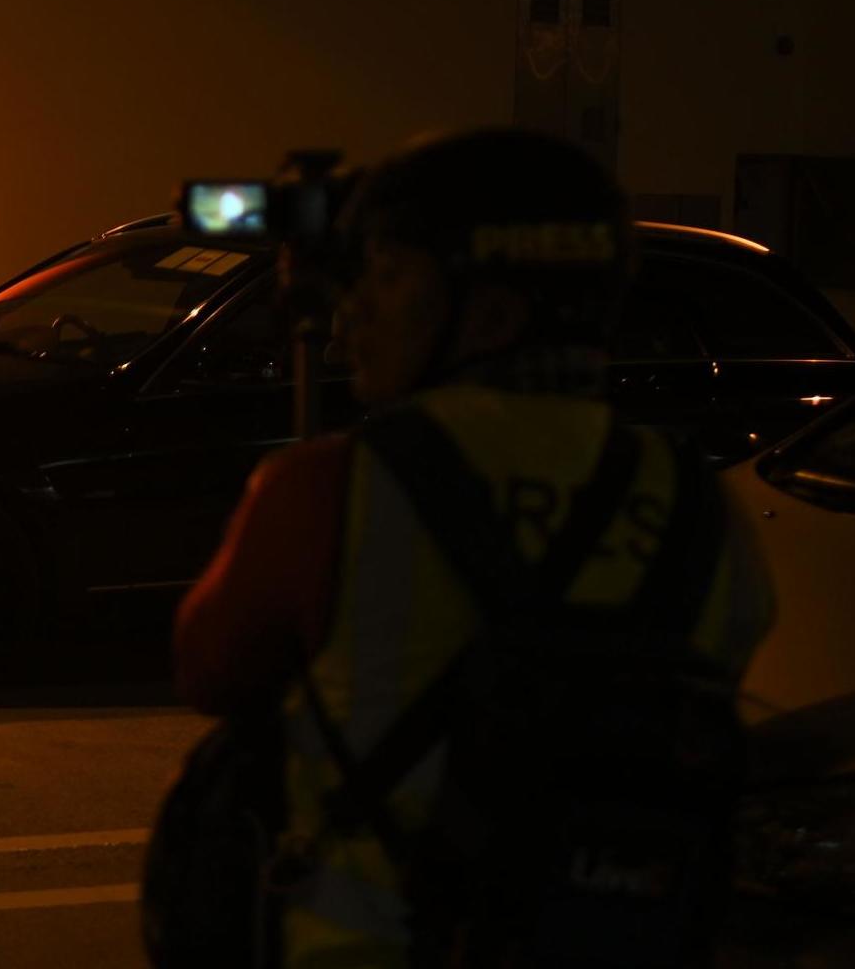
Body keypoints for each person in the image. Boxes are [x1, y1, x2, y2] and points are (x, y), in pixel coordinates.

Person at [171, 128, 775, 967]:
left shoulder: (329, 487)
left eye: (388, 277)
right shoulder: (704, 509)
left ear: (491, 314)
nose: (355, 312)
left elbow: (208, 666)